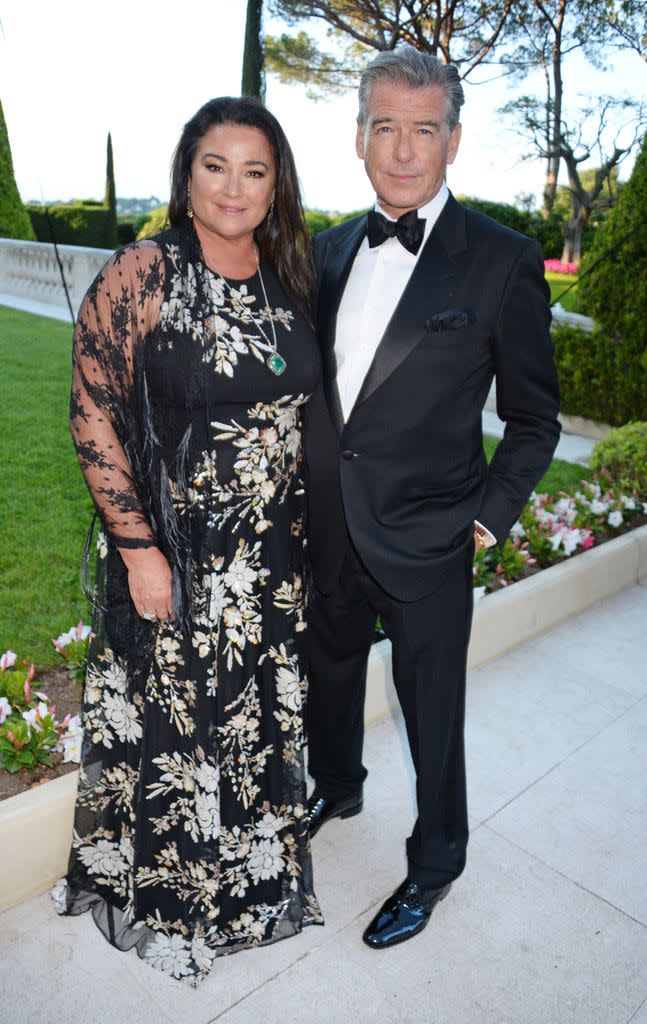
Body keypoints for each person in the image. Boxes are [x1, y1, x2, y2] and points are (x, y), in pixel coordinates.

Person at [52, 97, 323, 985]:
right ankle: (173, 899)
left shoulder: (291, 276)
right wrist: (137, 550)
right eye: (217, 165)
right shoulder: (144, 270)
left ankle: (244, 881)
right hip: (179, 553)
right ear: (187, 173)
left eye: (255, 169)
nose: (235, 187)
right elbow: (91, 408)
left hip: (270, 558)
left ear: (276, 182)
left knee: (250, 721)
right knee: (176, 727)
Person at [304, 47, 561, 950]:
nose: (403, 151)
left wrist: (486, 519)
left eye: (423, 130)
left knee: (432, 717)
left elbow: (533, 419)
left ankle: (435, 862)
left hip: (431, 537)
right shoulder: (323, 250)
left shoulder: (500, 261)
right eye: (386, 128)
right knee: (326, 679)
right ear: (359, 138)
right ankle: (335, 786)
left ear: (452, 140)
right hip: (327, 529)